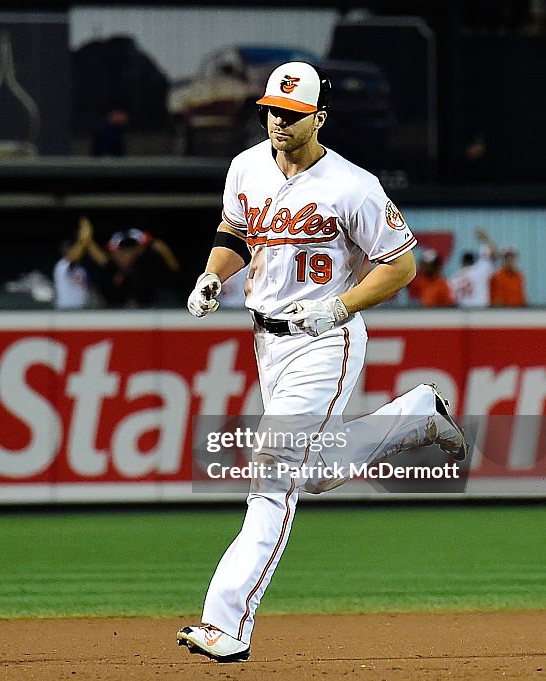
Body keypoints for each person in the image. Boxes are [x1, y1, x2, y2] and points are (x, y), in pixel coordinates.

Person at [179, 61, 468, 663]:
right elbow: (236, 232)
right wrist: (212, 273)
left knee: (272, 467)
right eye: (271, 111)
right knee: (309, 472)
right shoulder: (245, 166)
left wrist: (338, 309)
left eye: (291, 114)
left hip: (325, 341)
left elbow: (401, 265)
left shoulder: (353, 184)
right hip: (267, 340)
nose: (277, 122)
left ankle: (226, 623)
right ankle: (416, 416)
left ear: (318, 117)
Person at [91, 226, 180, 308]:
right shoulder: (110, 270)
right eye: (123, 250)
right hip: (117, 317)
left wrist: (160, 248)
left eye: (132, 248)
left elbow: (174, 268)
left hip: (150, 313)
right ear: (114, 253)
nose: (128, 254)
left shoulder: (147, 266)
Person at [53, 216, 98, 308]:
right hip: (65, 310)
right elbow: (74, 256)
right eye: (70, 249)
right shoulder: (62, 265)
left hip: (81, 311)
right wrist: (84, 239)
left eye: (72, 248)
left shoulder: (81, 269)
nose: (72, 251)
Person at [449, 229, 496, 307]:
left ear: (462, 263)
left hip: (460, 313)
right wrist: (486, 238)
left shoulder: (453, 278)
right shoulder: (480, 270)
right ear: (474, 261)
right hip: (480, 310)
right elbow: (493, 254)